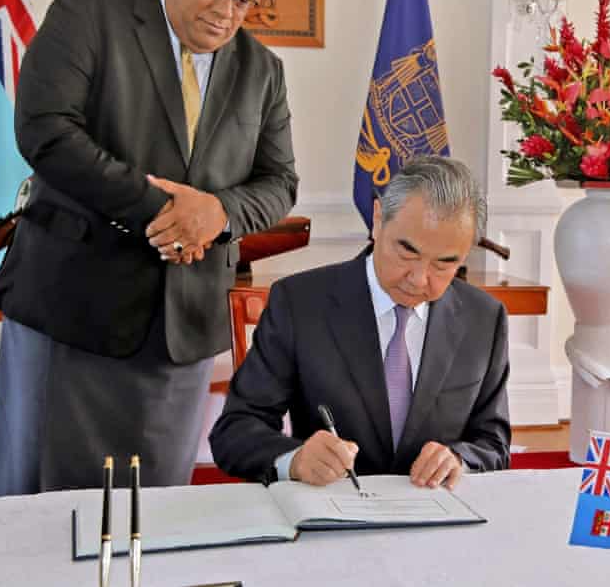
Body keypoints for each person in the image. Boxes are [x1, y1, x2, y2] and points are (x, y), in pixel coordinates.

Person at [0, 0, 298, 497]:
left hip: (185, 323)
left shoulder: (263, 71)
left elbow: (280, 182)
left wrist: (217, 213)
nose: (227, 11)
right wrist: (164, 210)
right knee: (49, 505)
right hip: (73, 306)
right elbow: (46, 131)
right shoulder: (88, 12)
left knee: (158, 508)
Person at [210, 156, 509, 489]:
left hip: (437, 522)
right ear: (378, 219)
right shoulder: (300, 302)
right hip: (332, 516)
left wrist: (459, 460)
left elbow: (493, 443)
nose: (419, 278)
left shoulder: (484, 318)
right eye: (407, 251)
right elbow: (234, 430)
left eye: (444, 264)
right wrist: (294, 460)